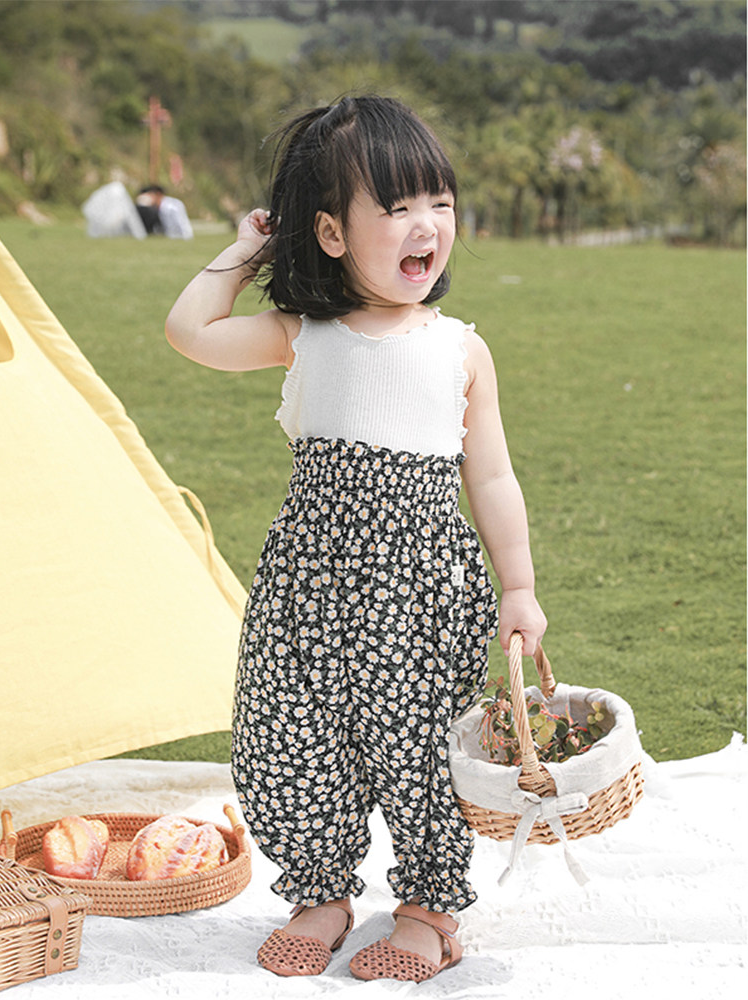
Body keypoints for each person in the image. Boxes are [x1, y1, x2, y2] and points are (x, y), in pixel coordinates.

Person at [165, 95, 546, 983]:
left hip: (424, 597)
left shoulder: (460, 350)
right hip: (307, 588)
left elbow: (492, 478)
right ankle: (321, 892)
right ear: (332, 234)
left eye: (439, 202)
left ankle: (428, 910)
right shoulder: (304, 337)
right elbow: (189, 331)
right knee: (289, 734)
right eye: (397, 206)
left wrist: (520, 588)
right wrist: (245, 251)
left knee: (422, 753)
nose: (427, 225)